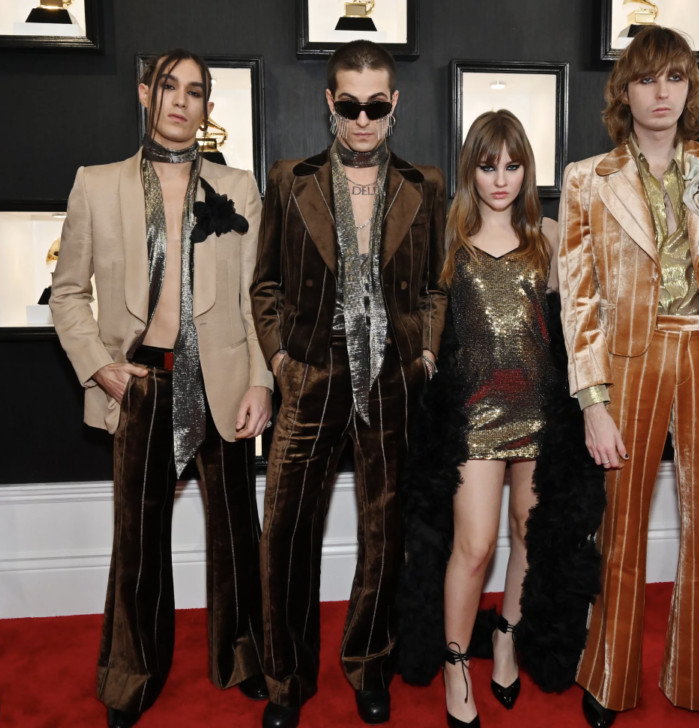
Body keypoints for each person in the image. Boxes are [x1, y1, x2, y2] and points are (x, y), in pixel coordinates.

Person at [50, 49, 273, 728]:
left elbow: (256, 299)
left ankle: (245, 657)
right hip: (141, 385)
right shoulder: (96, 183)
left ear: (208, 107)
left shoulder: (239, 187)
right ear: (145, 92)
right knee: (138, 540)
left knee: (238, 532)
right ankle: (132, 674)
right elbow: (66, 292)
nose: (181, 100)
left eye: (196, 91)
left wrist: (262, 381)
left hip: (223, 379)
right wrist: (98, 365)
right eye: (170, 86)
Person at [558, 27, 699, 728]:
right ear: (624, 90)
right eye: (647, 79)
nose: (662, 93)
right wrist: (593, 402)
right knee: (619, 531)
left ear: (691, 88)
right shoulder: (588, 179)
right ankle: (609, 676)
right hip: (629, 369)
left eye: (675, 78)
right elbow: (580, 298)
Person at [250, 40, 447, 728]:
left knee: (383, 534)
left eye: (375, 105)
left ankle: (369, 664)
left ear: (394, 104)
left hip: (392, 377)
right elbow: (266, 285)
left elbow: (435, 289)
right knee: (285, 533)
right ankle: (286, 680)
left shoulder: (423, 187)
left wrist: (423, 355)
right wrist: (281, 363)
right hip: (312, 374)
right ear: (329, 102)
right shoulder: (289, 179)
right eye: (349, 105)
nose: (362, 119)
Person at [396, 111, 605, 728]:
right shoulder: (448, 243)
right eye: (488, 166)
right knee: (475, 544)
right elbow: (423, 320)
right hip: (475, 419)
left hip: (542, 415)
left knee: (526, 533)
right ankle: (457, 661)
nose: (500, 179)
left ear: (526, 170)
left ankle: (507, 635)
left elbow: (583, 326)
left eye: (512, 166)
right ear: (471, 169)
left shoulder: (549, 236)